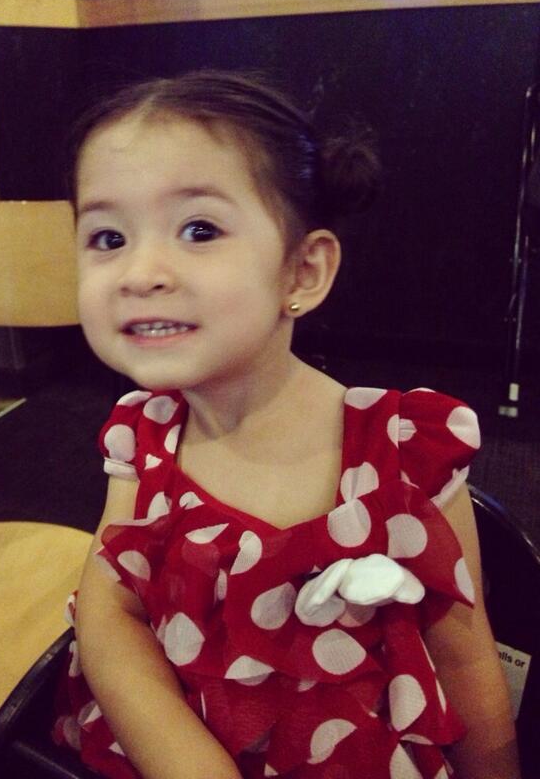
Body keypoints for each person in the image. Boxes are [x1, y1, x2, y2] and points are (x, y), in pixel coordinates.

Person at [53, 69, 519, 779]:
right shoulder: (142, 436)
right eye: (108, 236)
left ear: (303, 271)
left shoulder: (405, 450)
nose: (138, 272)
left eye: (199, 229)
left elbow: (465, 658)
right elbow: (110, 612)